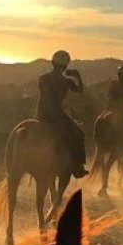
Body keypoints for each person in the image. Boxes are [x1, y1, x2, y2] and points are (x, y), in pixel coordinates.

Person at [35, 50, 88, 178]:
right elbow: (80, 90)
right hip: (57, 115)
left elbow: (45, 95)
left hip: (41, 114)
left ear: (52, 63)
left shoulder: (42, 78)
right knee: (79, 133)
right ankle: (78, 166)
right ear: (65, 66)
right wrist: (77, 76)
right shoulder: (67, 82)